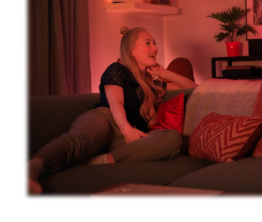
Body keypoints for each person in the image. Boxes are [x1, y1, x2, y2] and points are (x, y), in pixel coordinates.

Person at [28, 27, 198, 194]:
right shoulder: (117, 69)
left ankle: (98, 161)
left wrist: (166, 73)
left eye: (154, 43)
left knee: (173, 138)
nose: (155, 48)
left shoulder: (153, 84)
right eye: (148, 43)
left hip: (126, 137)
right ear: (131, 51)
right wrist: (126, 129)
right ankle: (32, 170)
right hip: (106, 119)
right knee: (83, 139)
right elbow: (116, 104)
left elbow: (196, 89)